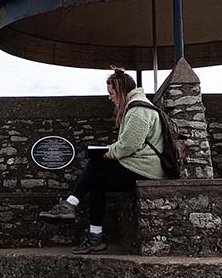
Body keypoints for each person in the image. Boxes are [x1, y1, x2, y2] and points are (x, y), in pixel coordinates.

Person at [39, 68, 166, 253]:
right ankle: (94, 237)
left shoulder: (138, 110)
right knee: (96, 182)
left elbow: (129, 145)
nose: (109, 97)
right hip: (141, 165)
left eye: (111, 93)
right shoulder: (136, 108)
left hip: (147, 168)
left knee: (97, 164)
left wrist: (109, 153)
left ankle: (70, 205)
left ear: (121, 91)